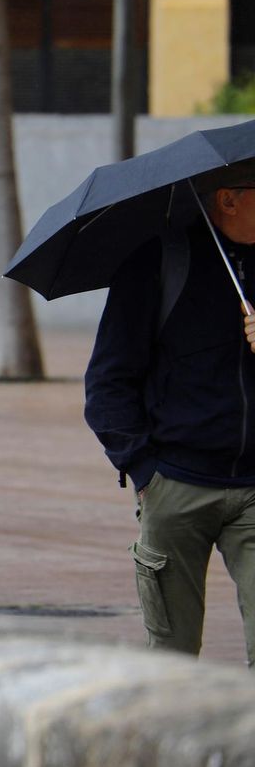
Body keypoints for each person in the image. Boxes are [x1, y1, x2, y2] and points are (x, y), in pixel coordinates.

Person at [86, 159, 255, 664]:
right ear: (228, 199)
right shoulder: (159, 261)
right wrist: (145, 472)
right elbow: (108, 382)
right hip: (175, 486)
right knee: (172, 659)